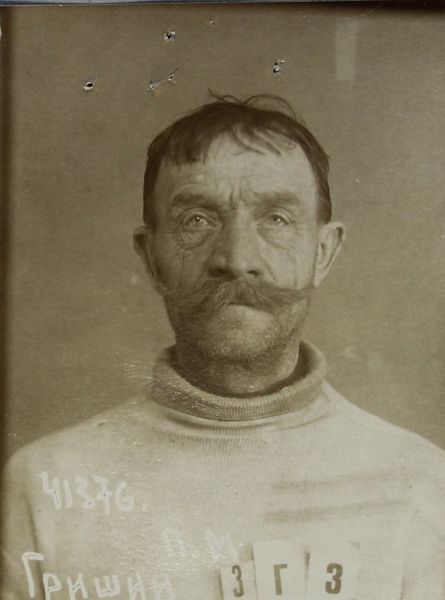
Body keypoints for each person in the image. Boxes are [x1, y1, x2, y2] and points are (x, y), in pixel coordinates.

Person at [2, 95, 444, 600]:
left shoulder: (422, 485)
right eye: (196, 219)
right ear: (151, 258)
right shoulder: (44, 485)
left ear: (323, 252)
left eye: (276, 219)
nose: (236, 258)